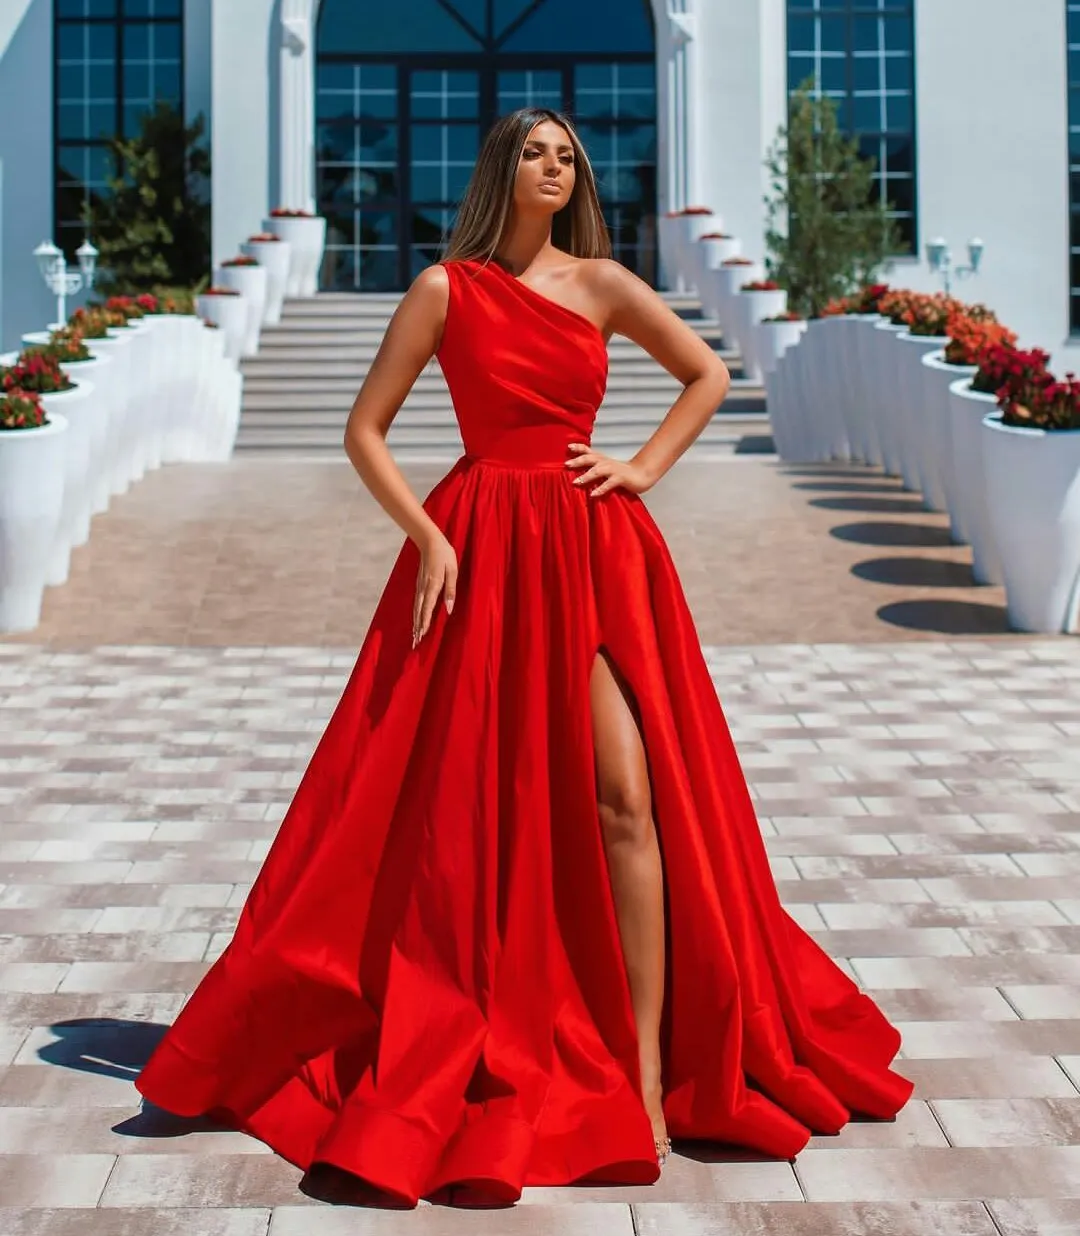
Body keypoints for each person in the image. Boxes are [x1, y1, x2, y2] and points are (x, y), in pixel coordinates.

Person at [135, 108, 914, 1207]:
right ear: (502, 169)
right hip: (483, 552)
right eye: (536, 153)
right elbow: (366, 430)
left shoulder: (604, 283)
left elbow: (706, 376)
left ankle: (644, 1069)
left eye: (569, 156)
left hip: (595, 549)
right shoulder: (445, 290)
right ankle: (491, 1019)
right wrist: (430, 534)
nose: (556, 167)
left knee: (626, 796)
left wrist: (640, 469)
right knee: (463, 817)